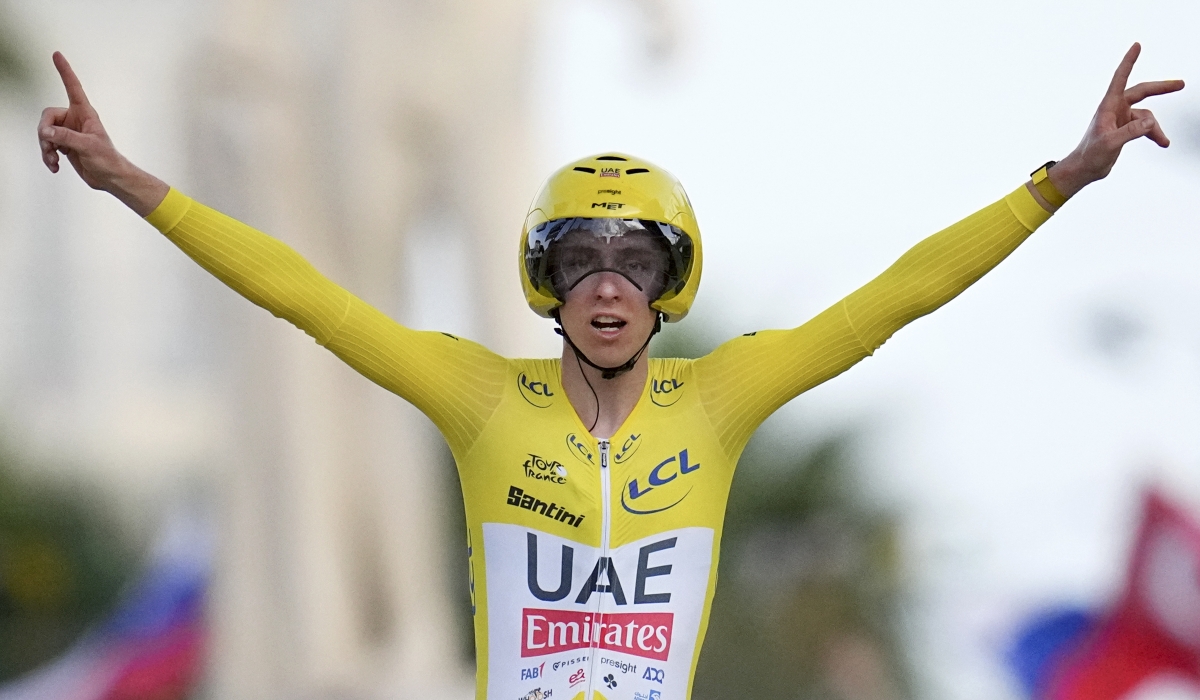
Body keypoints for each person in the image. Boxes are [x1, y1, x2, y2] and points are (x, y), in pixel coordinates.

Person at [37, 45, 1181, 700]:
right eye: (579, 257)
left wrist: (1063, 176)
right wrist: (132, 182)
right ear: (548, 279)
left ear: (668, 282)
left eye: (635, 260)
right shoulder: (480, 396)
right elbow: (306, 294)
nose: (607, 283)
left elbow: (900, 293)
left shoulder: (721, 401)